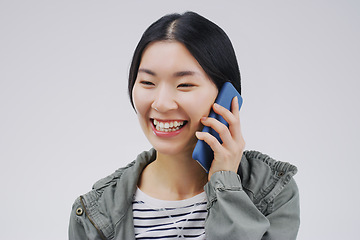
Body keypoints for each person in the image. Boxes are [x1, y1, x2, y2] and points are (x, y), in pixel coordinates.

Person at [68, 11, 300, 240]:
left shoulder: (271, 193)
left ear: (226, 97)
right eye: (148, 82)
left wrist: (226, 185)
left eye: (185, 84)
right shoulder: (93, 216)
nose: (161, 103)